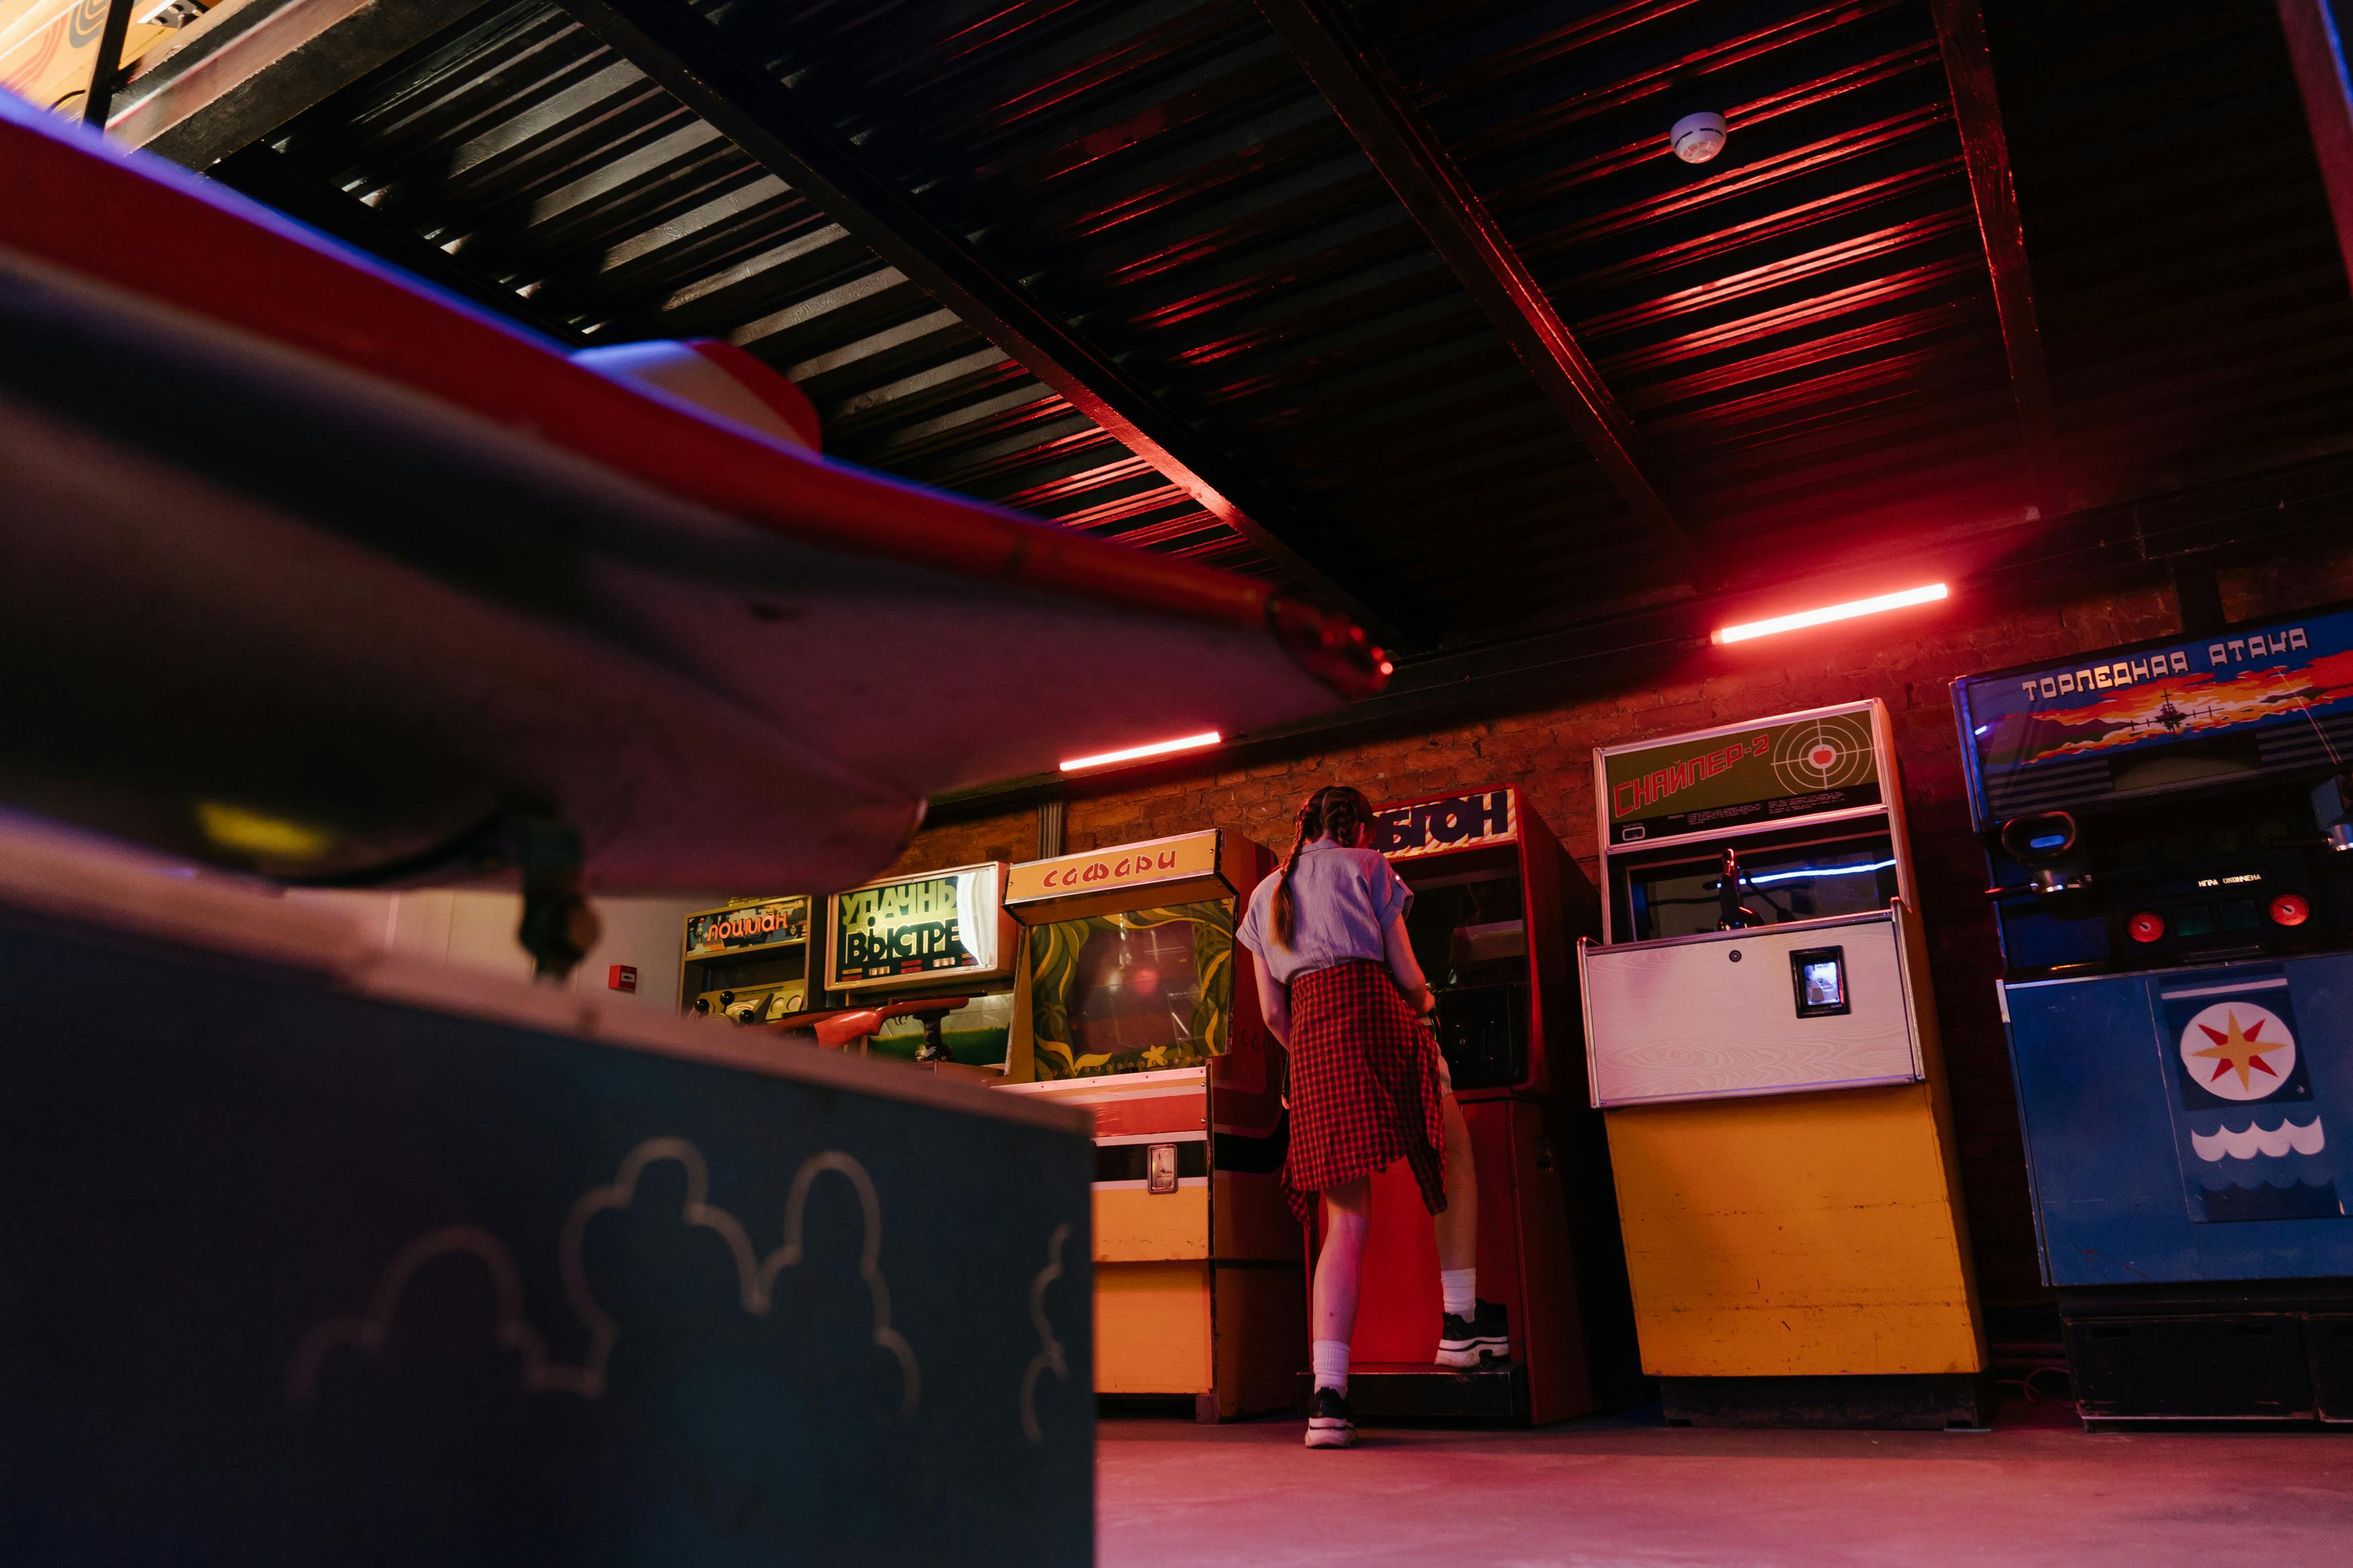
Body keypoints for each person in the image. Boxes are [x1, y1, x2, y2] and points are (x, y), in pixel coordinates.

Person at [1236, 784, 1506, 1450]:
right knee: (1449, 1145)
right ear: (1358, 826)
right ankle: (1458, 1322)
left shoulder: (1264, 893)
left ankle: (1328, 1397)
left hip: (1313, 1046)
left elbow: (1272, 1014)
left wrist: (1315, 1058)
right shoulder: (1369, 867)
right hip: (1380, 1022)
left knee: (1345, 1220)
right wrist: (1430, 1010)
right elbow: (1409, 973)